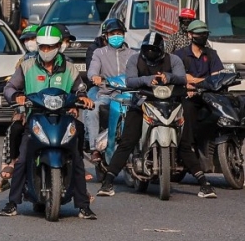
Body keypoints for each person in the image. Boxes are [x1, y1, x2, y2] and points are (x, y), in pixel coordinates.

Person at [97, 31, 216, 198]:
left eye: (154, 50)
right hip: (142, 104)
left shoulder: (173, 60)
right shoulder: (134, 59)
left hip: (170, 104)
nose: (150, 53)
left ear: (162, 50)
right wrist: (147, 79)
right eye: (147, 49)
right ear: (143, 49)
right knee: (127, 142)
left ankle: (204, 184)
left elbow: (182, 79)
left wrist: (168, 77)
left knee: (184, 143)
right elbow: (130, 80)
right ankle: (108, 182)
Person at [0, 26, 96, 219]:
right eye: (42, 47)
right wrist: (16, 97)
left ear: (59, 46)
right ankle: (12, 202)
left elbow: (80, 88)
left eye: (50, 47)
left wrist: (83, 97)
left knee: (76, 158)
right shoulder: (27, 66)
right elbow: (9, 87)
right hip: (35, 118)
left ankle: (83, 205)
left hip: (64, 118)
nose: (45, 51)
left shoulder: (69, 67)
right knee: (23, 157)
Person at [173, 20, 224, 196]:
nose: (202, 36)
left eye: (205, 33)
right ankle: (189, 148)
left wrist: (196, 81)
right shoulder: (180, 55)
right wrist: (203, 81)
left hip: (209, 96)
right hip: (189, 98)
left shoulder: (211, 54)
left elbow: (217, 77)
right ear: (189, 35)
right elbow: (183, 78)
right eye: (199, 33)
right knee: (188, 114)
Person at [0, 24, 42, 192]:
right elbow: (14, 87)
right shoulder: (23, 63)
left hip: (53, 109)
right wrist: (19, 103)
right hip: (28, 109)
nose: (30, 42)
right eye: (27, 40)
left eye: (33, 38)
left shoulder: (61, 61)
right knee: (13, 131)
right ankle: (10, 165)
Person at [85, 19, 137, 157]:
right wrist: (95, 76)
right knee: (92, 109)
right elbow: (92, 70)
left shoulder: (132, 54)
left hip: (129, 96)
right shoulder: (99, 53)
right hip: (107, 95)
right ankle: (94, 148)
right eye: (112, 33)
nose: (116, 36)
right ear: (106, 36)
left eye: (119, 33)